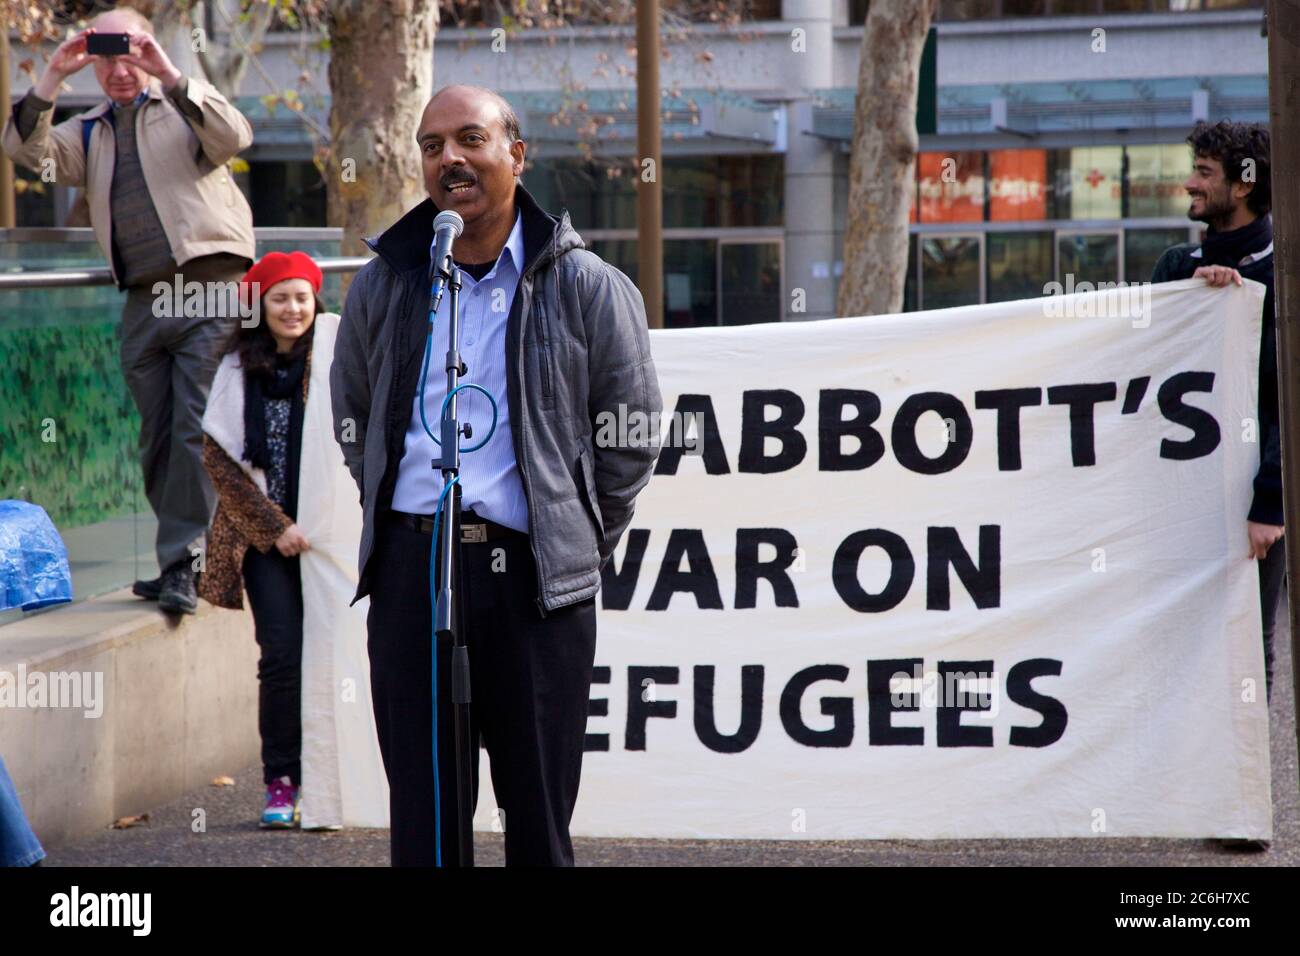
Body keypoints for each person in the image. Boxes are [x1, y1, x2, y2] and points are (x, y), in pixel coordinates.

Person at [331, 84, 662, 866]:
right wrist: (408, 519)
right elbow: (356, 422)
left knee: (538, 817)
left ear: (515, 155)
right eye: (431, 144)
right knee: (426, 820)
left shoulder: (585, 284)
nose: (449, 158)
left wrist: (569, 526)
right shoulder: (384, 283)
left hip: (533, 583)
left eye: (470, 139)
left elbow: (633, 432)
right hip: (414, 573)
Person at [2, 8, 256, 614]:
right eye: (105, 57)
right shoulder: (89, 132)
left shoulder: (183, 106)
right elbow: (23, 152)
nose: (119, 69)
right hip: (144, 297)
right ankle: (187, 561)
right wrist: (52, 77)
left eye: (129, 54)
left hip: (210, 287)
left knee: (196, 430)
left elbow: (235, 137)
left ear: (147, 51)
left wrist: (167, 72)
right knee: (158, 438)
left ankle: (183, 565)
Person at [200, 252, 388, 830]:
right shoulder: (236, 368)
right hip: (264, 545)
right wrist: (275, 527)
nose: (293, 308)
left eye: (302, 296)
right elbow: (220, 459)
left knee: (337, 657)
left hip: (329, 539)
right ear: (260, 304)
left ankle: (338, 779)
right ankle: (282, 782)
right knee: (281, 659)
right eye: (280, 297)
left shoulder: (333, 362)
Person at [1151, 121, 1284, 702]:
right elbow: (1142, 368)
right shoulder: (1178, 268)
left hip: (1250, 504)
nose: (1189, 184)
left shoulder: (1282, 278)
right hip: (1180, 499)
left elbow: (1286, 402)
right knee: (1178, 642)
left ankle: (1249, 790)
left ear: (1245, 186)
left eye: (1204, 173)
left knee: (1247, 649)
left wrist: (1270, 503)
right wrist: (1195, 299)